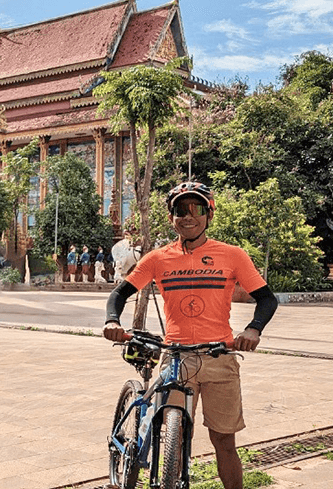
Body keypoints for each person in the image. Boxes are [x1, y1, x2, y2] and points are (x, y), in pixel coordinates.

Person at [102, 182, 279, 489]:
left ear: (209, 214)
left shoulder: (232, 255)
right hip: (176, 358)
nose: (188, 217)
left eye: (196, 209)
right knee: (177, 436)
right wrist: (112, 321)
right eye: (180, 210)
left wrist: (253, 329)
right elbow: (120, 293)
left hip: (220, 357)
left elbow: (267, 298)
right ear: (172, 217)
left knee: (223, 440)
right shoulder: (158, 258)